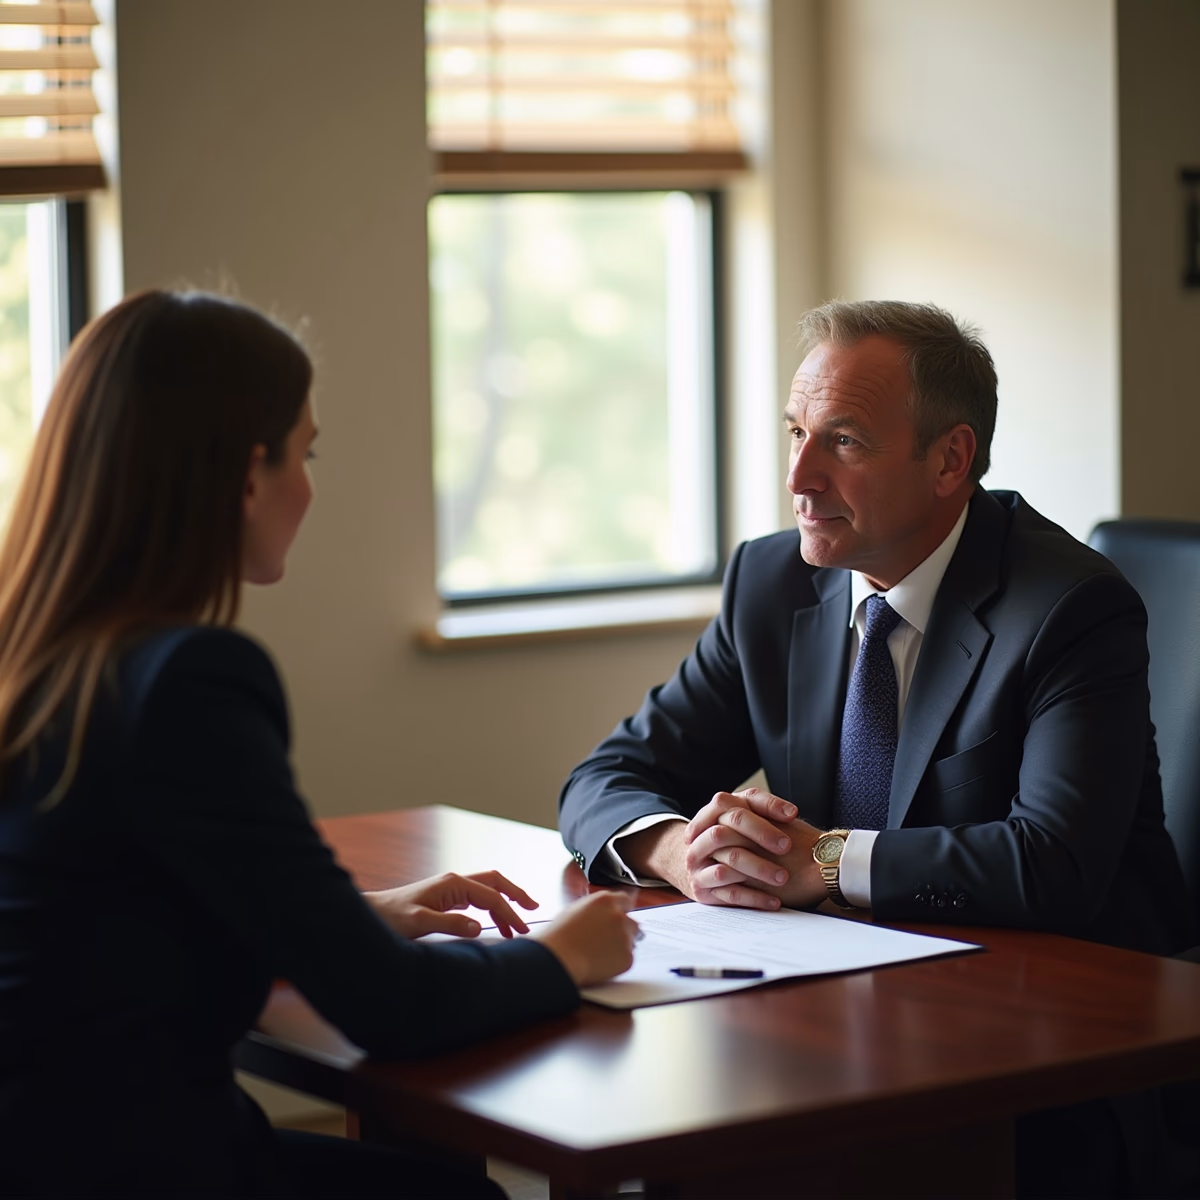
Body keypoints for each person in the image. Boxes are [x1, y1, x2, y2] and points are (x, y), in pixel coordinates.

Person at [0, 289, 637, 1198]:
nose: (309, 485)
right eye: (306, 452)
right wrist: (563, 954)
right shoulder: (189, 681)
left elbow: (113, 919)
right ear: (245, 474)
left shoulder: (37, 655)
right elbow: (392, 1008)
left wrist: (352, 918)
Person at [559, 300, 1193, 1195]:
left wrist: (819, 857)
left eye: (843, 441)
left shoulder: (1067, 609)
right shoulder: (772, 583)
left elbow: (1053, 865)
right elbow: (607, 777)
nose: (799, 477)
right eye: (795, 433)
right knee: (696, 1143)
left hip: (1054, 1054)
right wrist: (680, 851)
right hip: (840, 1021)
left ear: (950, 459)